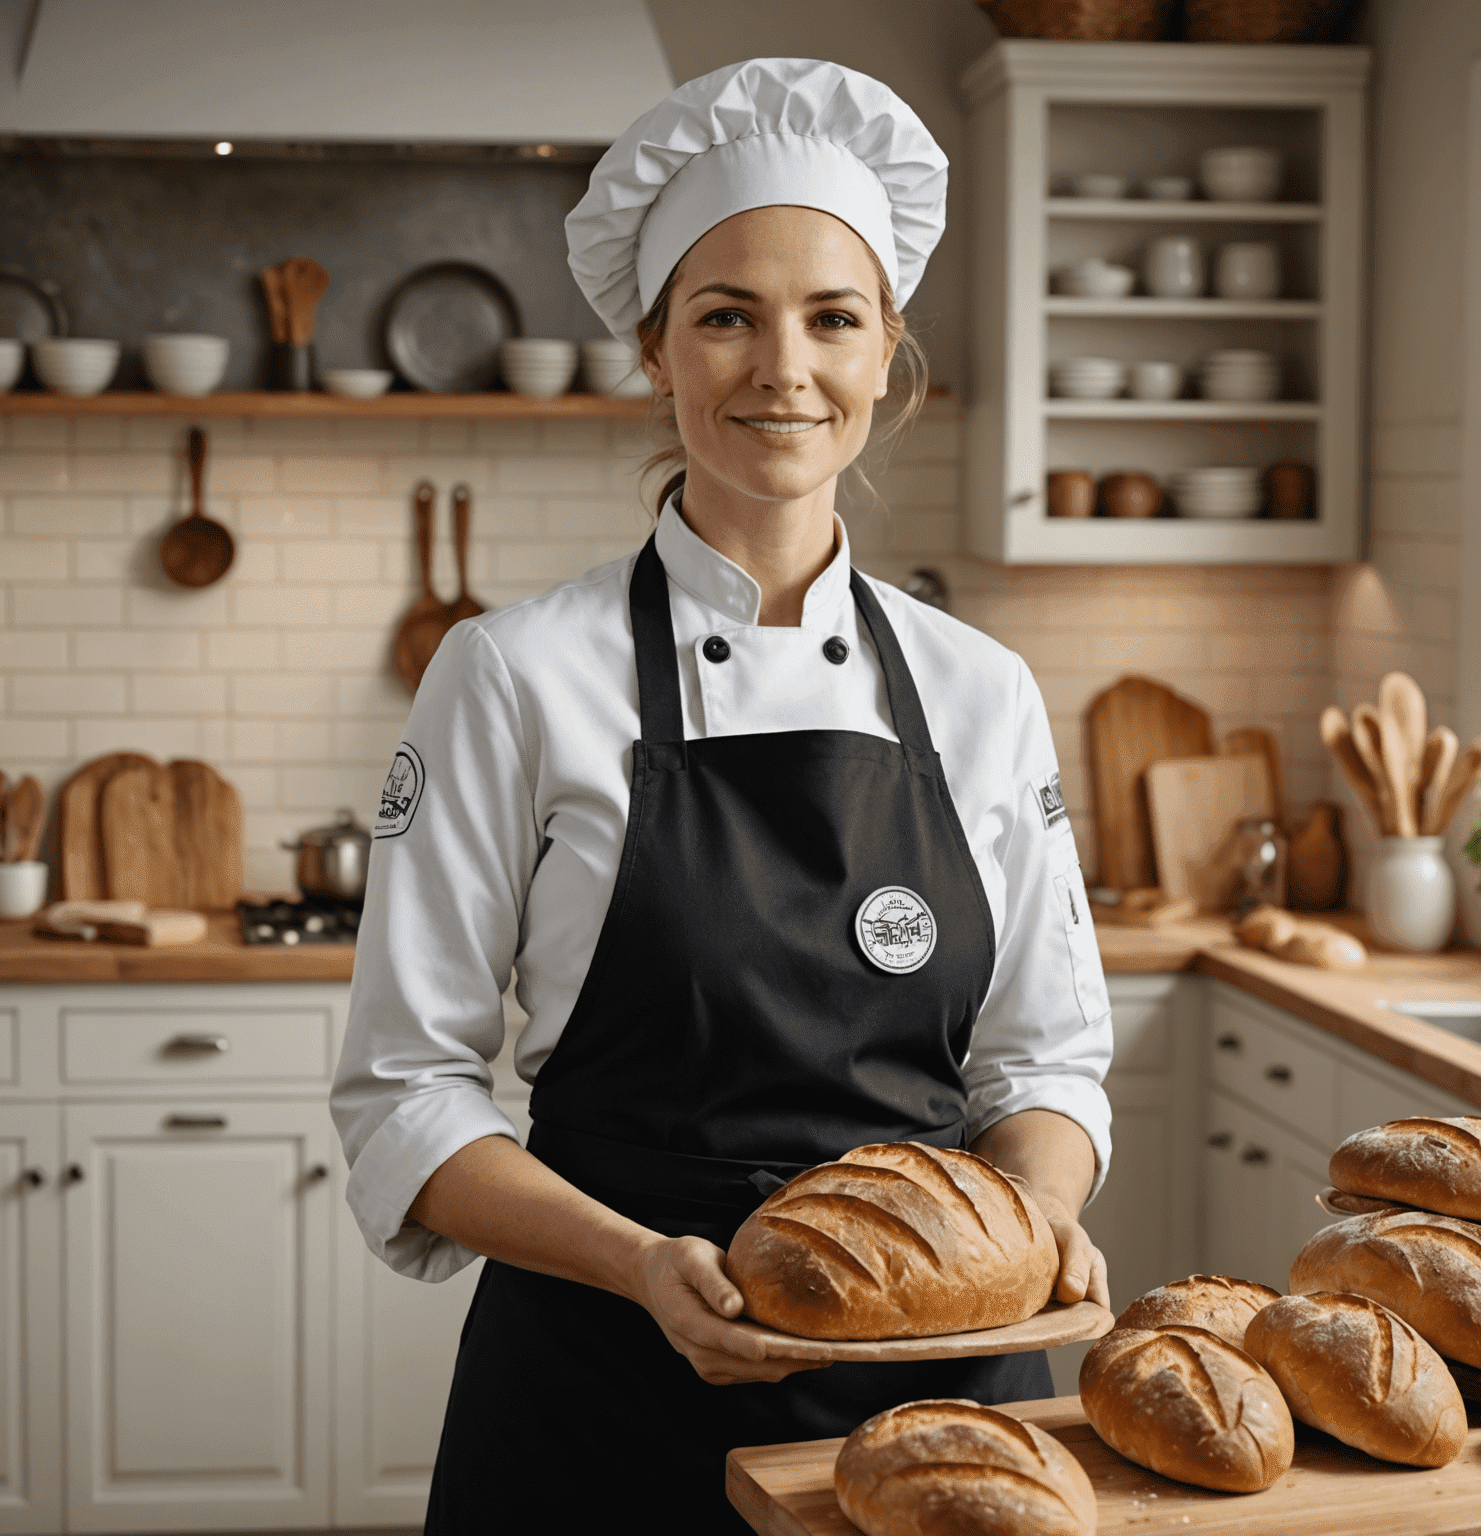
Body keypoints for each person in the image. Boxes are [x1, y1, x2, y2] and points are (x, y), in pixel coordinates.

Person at [331, 56, 1114, 1534]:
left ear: (890, 352)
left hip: (945, 1412)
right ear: (655, 353)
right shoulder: (511, 674)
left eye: (833, 318)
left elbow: (1046, 1066)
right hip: (603, 1392)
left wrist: (1043, 1214)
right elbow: (404, 1100)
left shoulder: (981, 688)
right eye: (726, 318)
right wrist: (640, 1262)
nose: (784, 369)